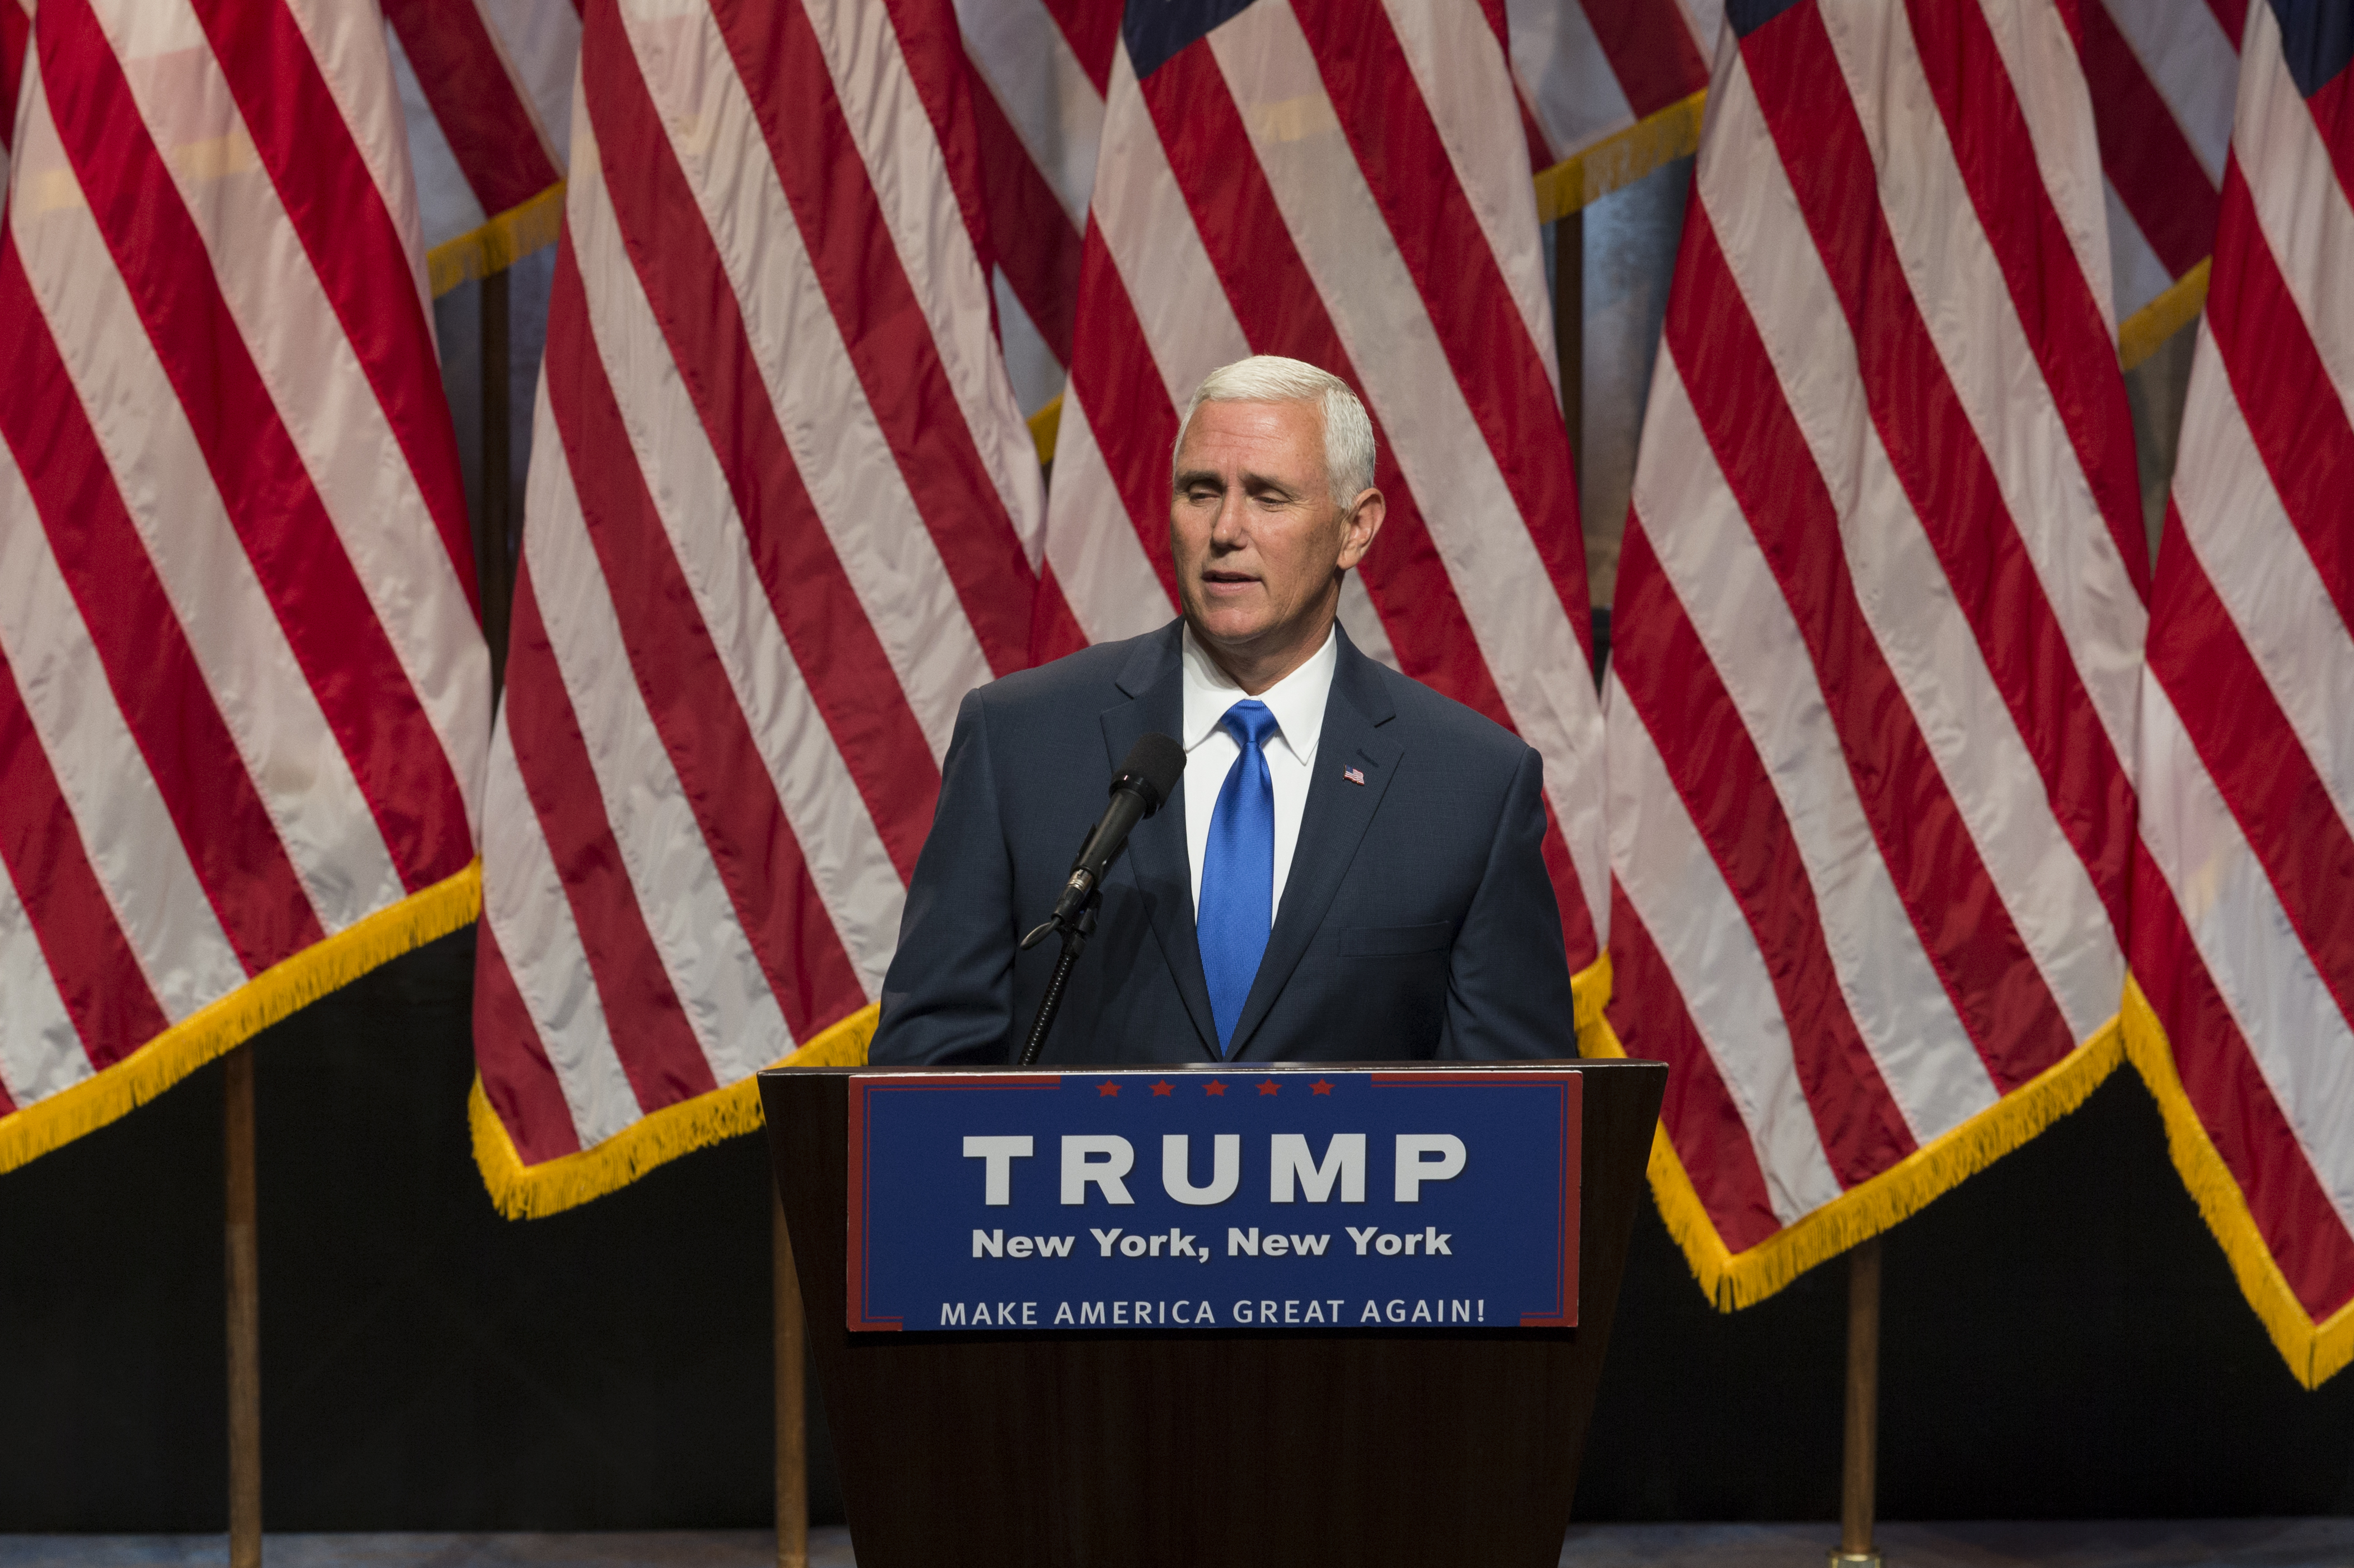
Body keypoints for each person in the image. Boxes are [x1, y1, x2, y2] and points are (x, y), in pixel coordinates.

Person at [868, 356, 1577, 1065]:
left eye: (1269, 497)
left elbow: (1517, 1113)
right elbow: (924, 1068)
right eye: (1201, 491)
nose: (1226, 529)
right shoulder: (1020, 741)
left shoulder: (1469, 786)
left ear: (1355, 529)